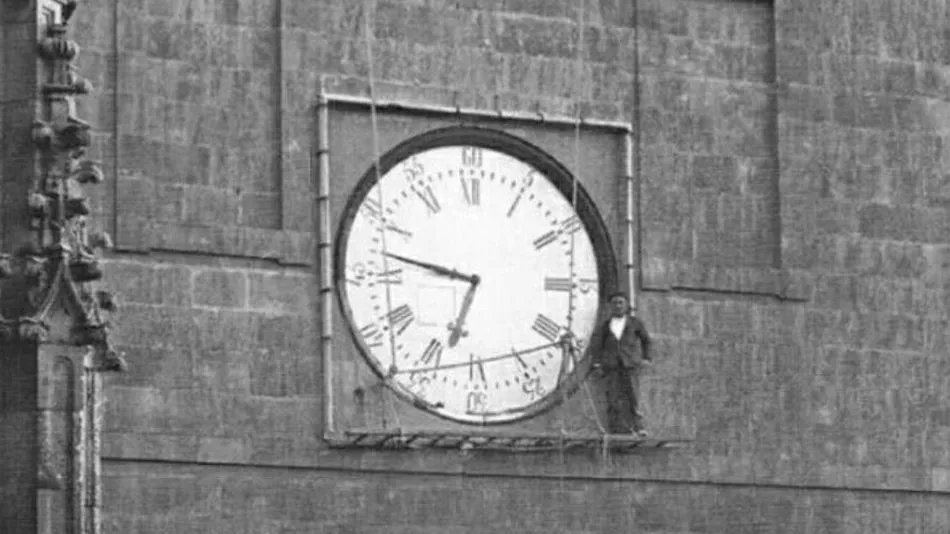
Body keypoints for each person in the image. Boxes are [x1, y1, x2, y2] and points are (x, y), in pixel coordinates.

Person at [589, 290, 652, 437]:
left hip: (630, 364)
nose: (618, 306)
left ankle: (638, 428)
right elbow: (596, 344)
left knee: (633, 397)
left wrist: (646, 358)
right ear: (610, 306)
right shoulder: (605, 326)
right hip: (611, 366)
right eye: (614, 303)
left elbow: (646, 340)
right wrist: (597, 362)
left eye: (621, 303)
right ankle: (616, 429)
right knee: (613, 398)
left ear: (626, 305)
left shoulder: (635, 323)